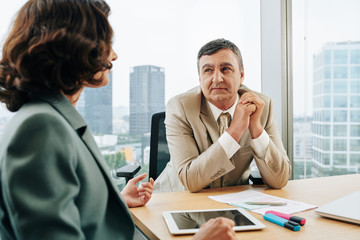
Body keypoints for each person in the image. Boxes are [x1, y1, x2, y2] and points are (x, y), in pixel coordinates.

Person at [0, 1, 236, 239]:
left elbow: (73, 212)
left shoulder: (53, 119)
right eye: (105, 43)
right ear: (74, 46)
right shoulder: (40, 128)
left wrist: (117, 202)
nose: (113, 55)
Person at [154, 38, 291, 193]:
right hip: (177, 200)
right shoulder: (180, 107)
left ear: (241, 75)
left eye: (225, 69)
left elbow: (280, 180)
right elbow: (190, 179)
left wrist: (256, 128)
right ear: (200, 78)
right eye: (208, 70)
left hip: (232, 203)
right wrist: (235, 131)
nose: (217, 78)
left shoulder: (261, 106)